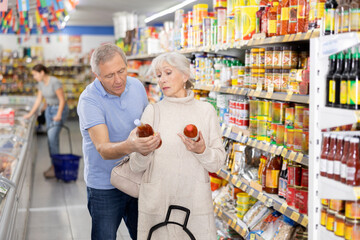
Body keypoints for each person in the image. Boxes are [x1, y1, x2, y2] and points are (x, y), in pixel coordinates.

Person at [129, 52, 226, 240]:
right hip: (158, 202)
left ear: (185, 75)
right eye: (158, 75)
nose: (162, 80)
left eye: (167, 73)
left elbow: (217, 164)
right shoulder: (152, 112)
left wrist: (202, 151)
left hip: (194, 201)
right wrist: (144, 150)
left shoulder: (206, 111)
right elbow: (135, 166)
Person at [77, 43, 161, 240]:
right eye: (109, 76)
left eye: (121, 71)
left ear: (126, 65)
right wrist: (131, 145)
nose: (118, 80)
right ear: (96, 75)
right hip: (105, 186)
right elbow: (103, 149)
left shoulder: (137, 87)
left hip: (137, 178)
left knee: (145, 236)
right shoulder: (89, 100)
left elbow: (145, 125)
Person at [23, 64, 69, 178]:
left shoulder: (54, 82)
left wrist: (58, 115)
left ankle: (55, 167)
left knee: (52, 138)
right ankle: (55, 166)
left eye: (35, 74)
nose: (34, 77)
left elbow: (62, 100)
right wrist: (29, 114)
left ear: (42, 72)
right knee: (52, 140)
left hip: (59, 110)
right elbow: (39, 100)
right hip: (49, 110)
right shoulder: (41, 84)